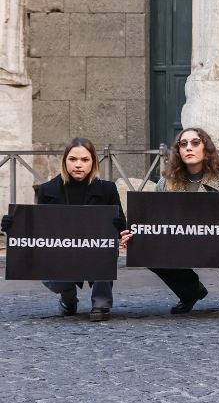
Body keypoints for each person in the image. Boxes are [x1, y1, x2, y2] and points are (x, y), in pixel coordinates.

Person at [126, 128, 219, 315]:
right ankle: (190, 291)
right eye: (183, 144)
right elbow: (158, 221)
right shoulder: (166, 182)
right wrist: (140, 233)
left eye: (195, 143)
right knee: (146, 249)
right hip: (180, 241)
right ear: (178, 151)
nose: (188, 148)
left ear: (205, 148)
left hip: (217, 241)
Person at [1, 138, 126, 322]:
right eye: (73, 159)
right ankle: (68, 298)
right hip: (61, 252)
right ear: (64, 161)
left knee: (106, 250)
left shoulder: (107, 189)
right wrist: (14, 225)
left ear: (93, 162)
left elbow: (122, 226)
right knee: (44, 260)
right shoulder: (47, 190)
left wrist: (118, 226)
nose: (78, 165)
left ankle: (101, 303)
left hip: (95, 251)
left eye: (85, 160)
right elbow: (37, 230)